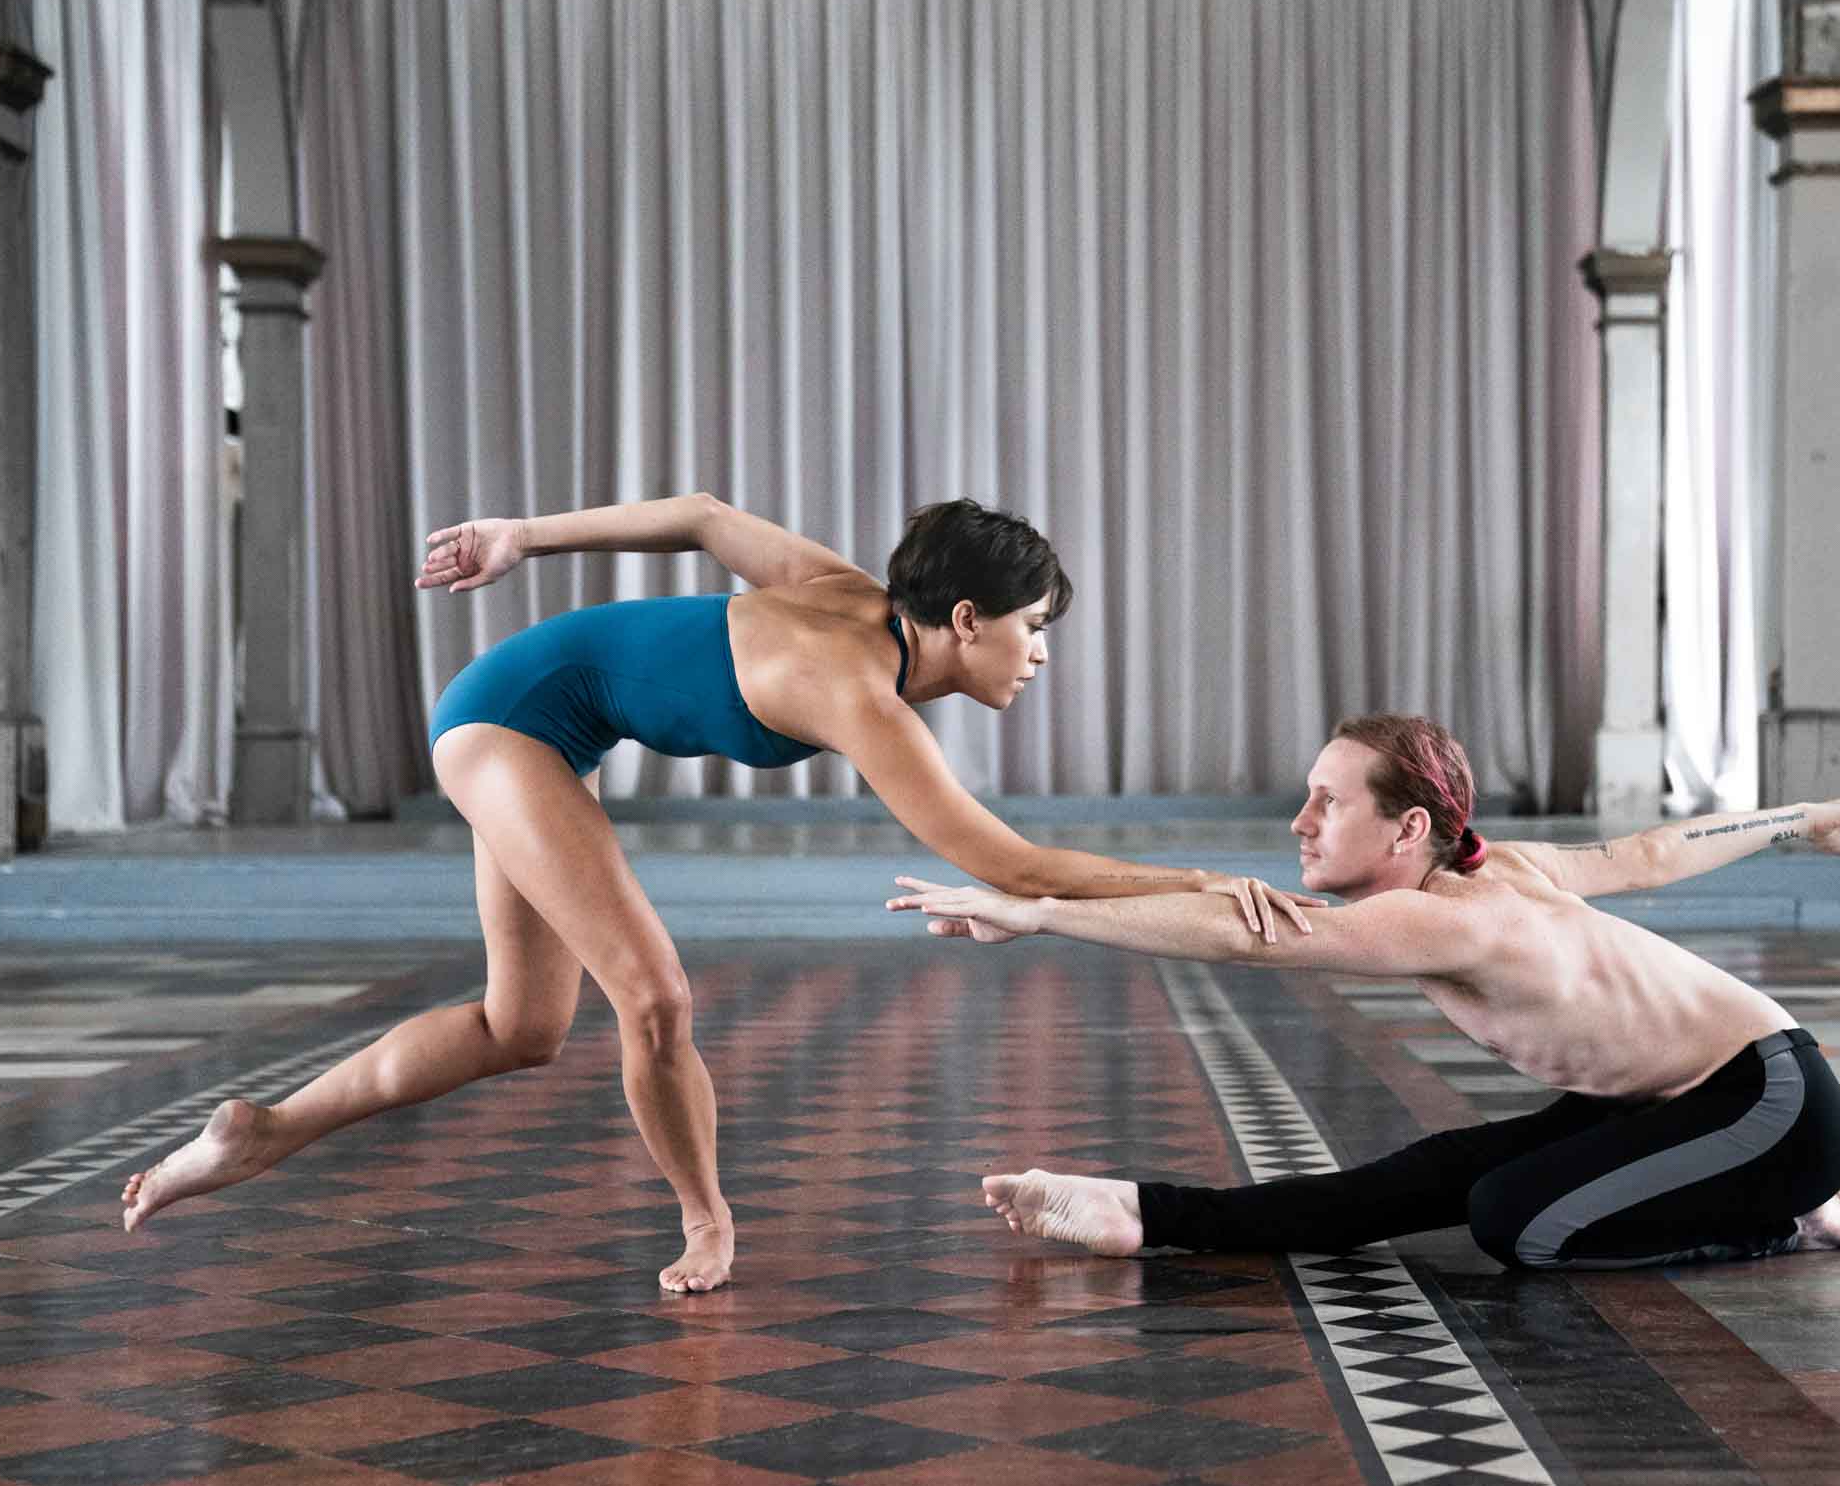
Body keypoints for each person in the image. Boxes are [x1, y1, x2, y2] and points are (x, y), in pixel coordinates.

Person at [120, 495, 1314, 1291]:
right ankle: (705, 1219)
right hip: (501, 725)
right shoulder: (857, 689)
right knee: (652, 998)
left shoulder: (853, 597)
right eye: (1034, 627)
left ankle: (261, 1129)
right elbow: (1010, 865)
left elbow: (698, 513)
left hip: (535, 720)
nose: (1043, 651)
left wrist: (522, 539)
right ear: (965, 620)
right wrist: (1203, 876)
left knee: (518, 1027)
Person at [889, 713, 1840, 1270]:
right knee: (1426, 1174)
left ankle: (1787, 1220)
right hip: (1678, 1099)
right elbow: (1649, 850)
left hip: (1773, 1107)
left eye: (1326, 803)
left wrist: (1037, 914)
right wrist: (1800, 818)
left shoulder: (1441, 914)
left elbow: (1236, 942)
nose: (1301, 821)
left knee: (1519, 1222)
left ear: (1407, 830)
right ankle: (1142, 1215)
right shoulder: (1491, 869)